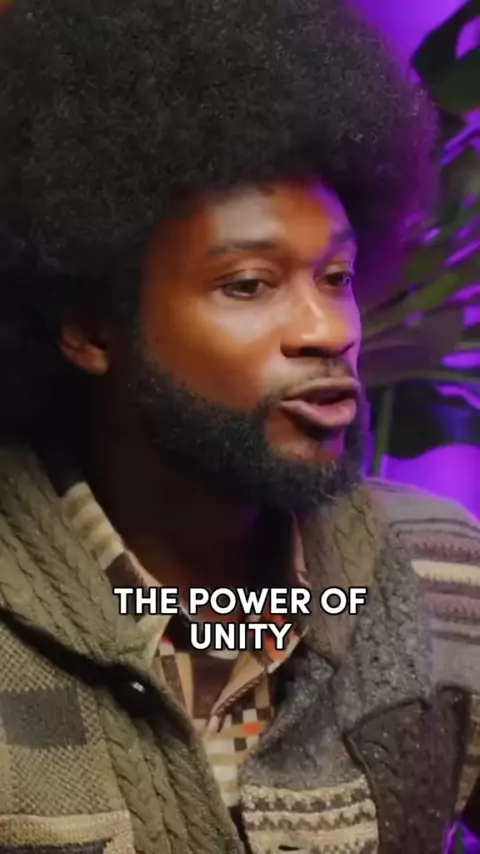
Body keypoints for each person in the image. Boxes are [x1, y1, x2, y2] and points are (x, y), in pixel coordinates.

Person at [0, 0, 479, 852]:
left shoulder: (445, 572)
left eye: (335, 277)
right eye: (249, 285)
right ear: (91, 329)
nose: (328, 330)